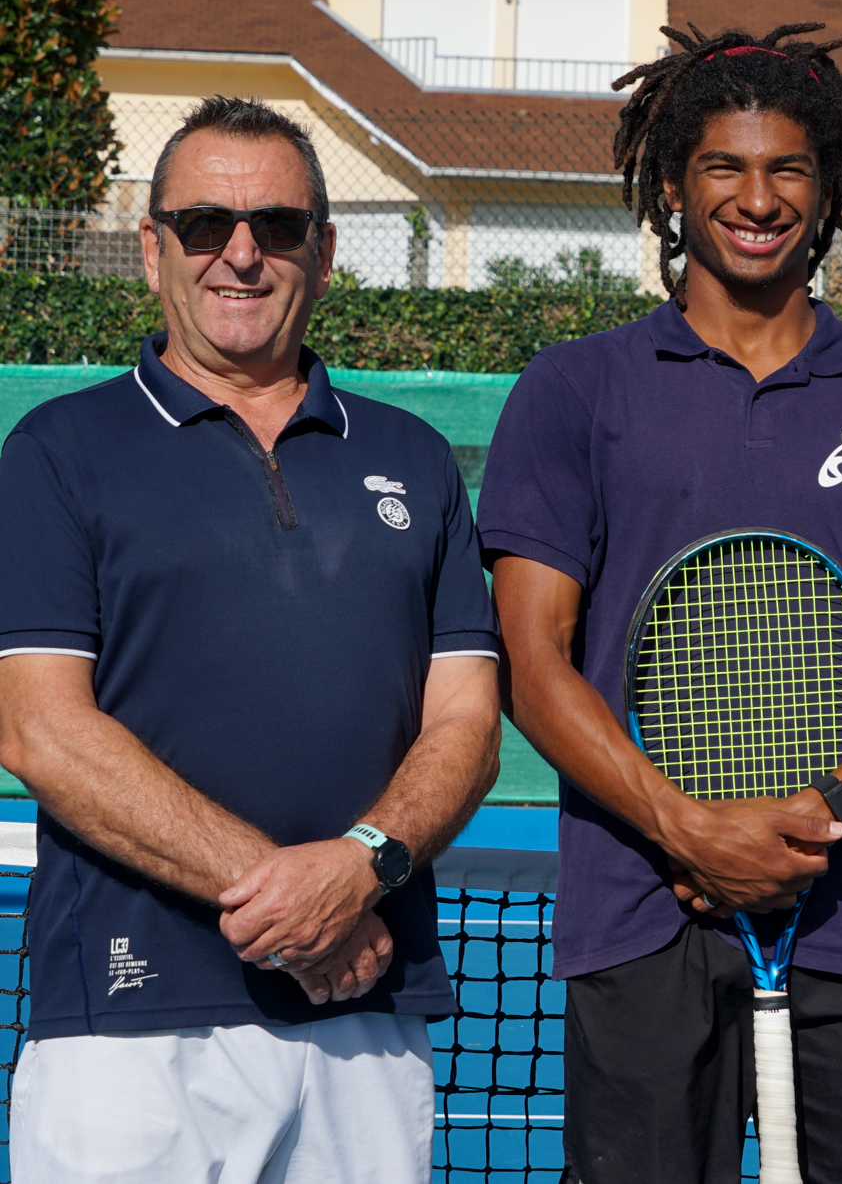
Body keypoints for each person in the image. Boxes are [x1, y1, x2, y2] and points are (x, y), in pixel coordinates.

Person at [479, 22, 842, 1184]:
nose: (757, 199)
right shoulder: (572, 388)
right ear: (673, 186)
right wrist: (687, 829)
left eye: (787, 170)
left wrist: (818, 817)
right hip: (640, 915)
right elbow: (531, 658)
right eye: (724, 165)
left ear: (828, 191)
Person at [0, 95, 502, 1182]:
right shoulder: (57, 450)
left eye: (276, 225)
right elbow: (41, 730)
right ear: (153, 251)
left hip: (367, 1010)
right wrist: (299, 904)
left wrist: (362, 867)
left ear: (323, 252)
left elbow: (467, 723)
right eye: (203, 225)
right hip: (127, 1026)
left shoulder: (417, 459)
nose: (241, 253)